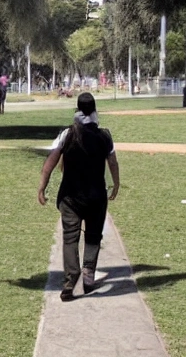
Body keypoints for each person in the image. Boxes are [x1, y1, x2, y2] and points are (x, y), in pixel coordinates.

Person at [37, 92, 120, 302]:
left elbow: (50, 163)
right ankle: (88, 275)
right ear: (94, 109)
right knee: (93, 235)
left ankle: (69, 279)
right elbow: (113, 163)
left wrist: (42, 187)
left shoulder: (67, 134)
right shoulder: (104, 136)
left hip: (70, 198)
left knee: (70, 238)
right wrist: (116, 184)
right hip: (96, 197)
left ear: (77, 108)